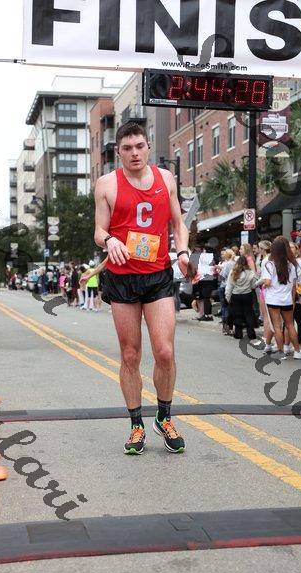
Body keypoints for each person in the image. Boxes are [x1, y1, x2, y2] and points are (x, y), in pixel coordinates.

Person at [94, 121, 198, 455]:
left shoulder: (166, 179)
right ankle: (136, 425)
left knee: (165, 351)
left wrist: (182, 253)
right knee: (130, 354)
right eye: (127, 148)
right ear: (118, 152)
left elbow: (178, 224)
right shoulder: (106, 184)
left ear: (149, 147)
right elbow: (99, 230)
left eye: (139, 146)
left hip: (157, 275)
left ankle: (164, 417)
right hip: (122, 277)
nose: (134, 153)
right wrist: (109, 241)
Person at [261, 236, 301, 360]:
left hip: (273, 299)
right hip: (287, 299)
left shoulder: (269, 264)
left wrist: (263, 284)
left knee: (277, 326)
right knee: (290, 325)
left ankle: (281, 352)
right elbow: (294, 284)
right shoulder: (292, 265)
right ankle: (297, 351)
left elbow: (267, 282)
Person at [225, 255, 259, 341]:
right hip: (247, 294)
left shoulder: (233, 272)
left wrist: (228, 297)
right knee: (249, 314)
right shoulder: (250, 272)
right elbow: (253, 285)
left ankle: (238, 333)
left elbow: (229, 286)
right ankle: (251, 333)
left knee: (237, 314)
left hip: (236, 295)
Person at [283, 242, 301, 353]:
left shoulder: (299, 262)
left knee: (299, 321)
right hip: (286, 295)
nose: (289, 249)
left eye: (292, 247)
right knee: (288, 321)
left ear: (296, 250)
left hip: (297, 295)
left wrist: (300, 293)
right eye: (288, 247)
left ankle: (299, 345)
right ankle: (286, 345)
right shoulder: (285, 262)